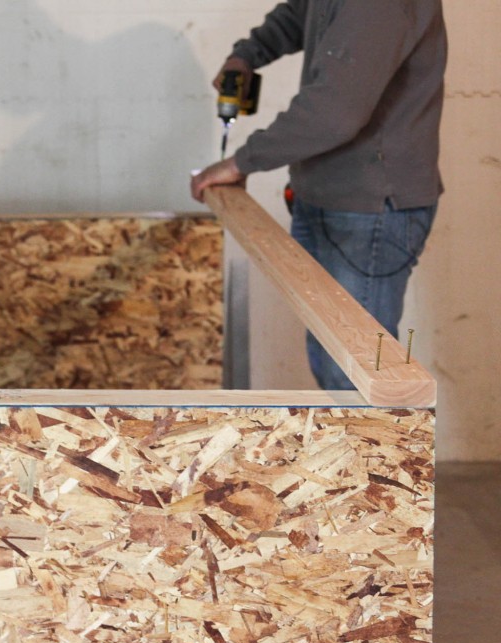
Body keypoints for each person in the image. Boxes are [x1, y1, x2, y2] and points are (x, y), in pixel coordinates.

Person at [190, 0, 447, 390]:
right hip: (326, 196)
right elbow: (300, 12)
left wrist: (241, 162)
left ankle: (366, 455)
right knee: (332, 366)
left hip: (370, 210)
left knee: (358, 381)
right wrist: (247, 54)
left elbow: (335, 113)